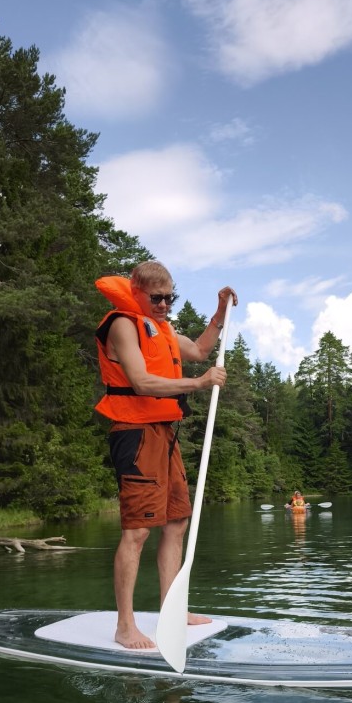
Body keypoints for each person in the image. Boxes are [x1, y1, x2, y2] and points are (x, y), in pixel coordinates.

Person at [94, 262, 238, 650]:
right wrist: (200, 382)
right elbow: (141, 381)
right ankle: (126, 626)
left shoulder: (164, 329)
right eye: (156, 298)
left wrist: (220, 313)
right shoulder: (124, 324)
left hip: (164, 434)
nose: (164, 304)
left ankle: (171, 610)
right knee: (137, 531)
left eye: (170, 297)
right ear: (136, 291)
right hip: (135, 434)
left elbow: (202, 349)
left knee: (176, 522)